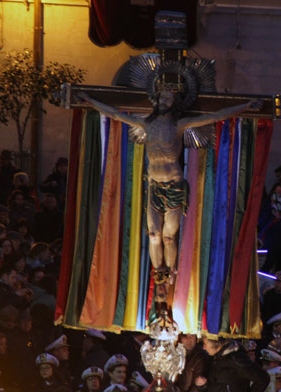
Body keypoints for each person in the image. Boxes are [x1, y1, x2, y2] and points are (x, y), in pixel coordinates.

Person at [78, 91, 260, 294]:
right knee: (154, 235)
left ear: (174, 104)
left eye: (168, 98)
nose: (162, 101)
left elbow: (215, 116)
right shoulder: (147, 125)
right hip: (154, 186)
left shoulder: (179, 126)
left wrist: (245, 106)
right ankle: (159, 274)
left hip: (173, 187)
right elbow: (115, 114)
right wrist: (90, 101)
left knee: (168, 237)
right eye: (161, 97)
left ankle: (171, 271)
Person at [201, 337, 269, 392]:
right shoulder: (213, 359)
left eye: (205, 343)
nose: (203, 347)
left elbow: (263, 378)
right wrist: (202, 386)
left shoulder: (236, 359)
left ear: (215, 342)